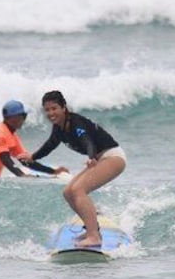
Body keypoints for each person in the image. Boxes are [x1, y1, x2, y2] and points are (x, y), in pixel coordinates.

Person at [30, 91, 126, 248]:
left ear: (64, 107)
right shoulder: (58, 128)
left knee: (78, 190)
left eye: (54, 108)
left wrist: (91, 157)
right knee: (68, 192)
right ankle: (92, 230)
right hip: (99, 158)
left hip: (112, 157)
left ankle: (94, 237)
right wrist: (32, 157)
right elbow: (50, 145)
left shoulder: (76, 123)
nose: (51, 113)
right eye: (47, 110)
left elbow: (87, 141)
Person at [0, 100, 66, 177]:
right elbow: (5, 159)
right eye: (22, 116)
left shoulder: (11, 135)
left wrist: (53, 171)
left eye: (24, 116)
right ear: (10, 118)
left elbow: (26, 161)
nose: (24, 119)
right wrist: (22, 175)